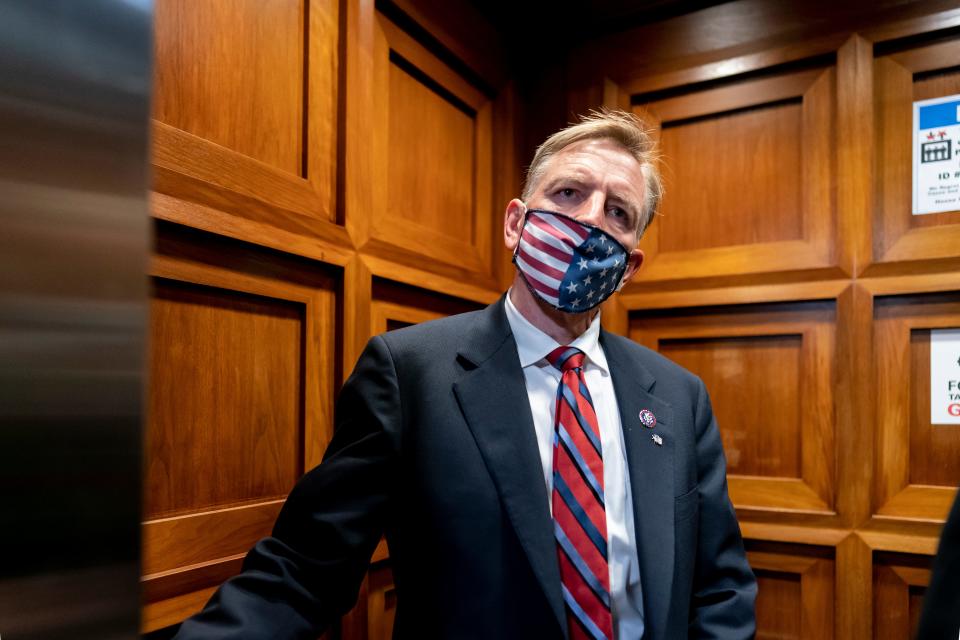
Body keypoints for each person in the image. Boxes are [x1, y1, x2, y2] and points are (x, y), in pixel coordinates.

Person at [174, 110, 757, 639]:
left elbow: (720, 590)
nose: (588, 221)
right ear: (516, 223)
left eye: (617, 212)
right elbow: (304, 572)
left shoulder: (680, 397)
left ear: (628, 267)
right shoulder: (409, 374)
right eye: (569, 193)